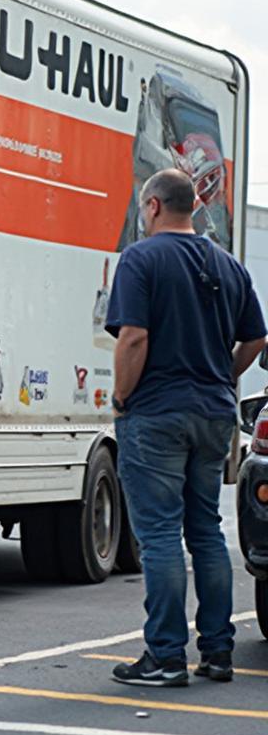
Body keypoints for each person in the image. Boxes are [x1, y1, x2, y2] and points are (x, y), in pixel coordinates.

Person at [105, 167, 266, 687]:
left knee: (158, 536)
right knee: (206, 533)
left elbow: (133, 338)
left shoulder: (140, 259)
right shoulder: (229, 265)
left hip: (157, 413)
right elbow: (256, 339)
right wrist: (222, 374)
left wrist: (123, 396)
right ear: (192, 206)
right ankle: (217, 654)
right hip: (214, 412)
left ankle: (166, 657)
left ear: (151, 207)